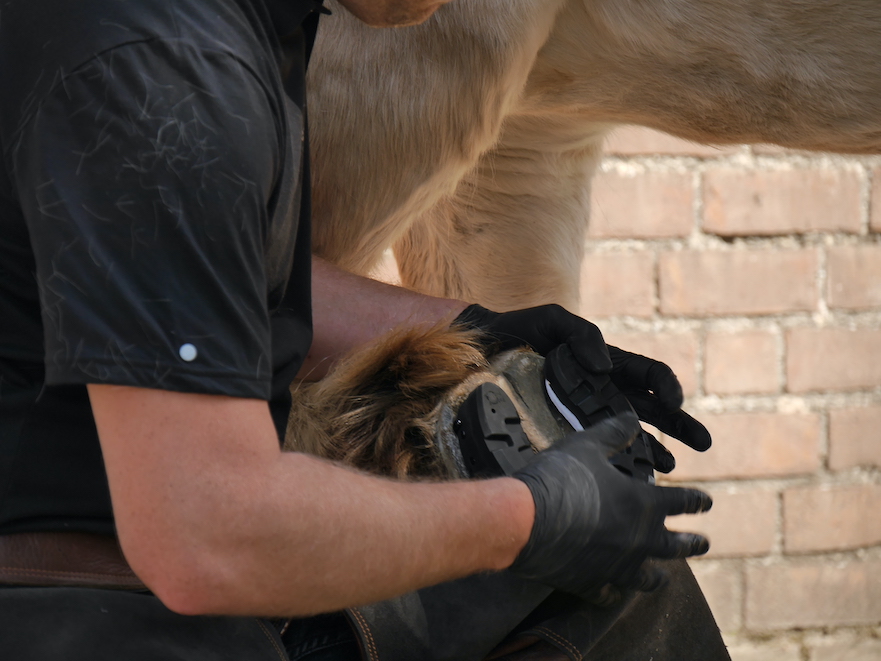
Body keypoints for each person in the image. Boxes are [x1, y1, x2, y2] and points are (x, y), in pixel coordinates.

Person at [0, 0, 713, 658]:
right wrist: (531, 519)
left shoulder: (216, 32)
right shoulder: (169, 71)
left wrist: (479, 328)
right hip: (88, 616)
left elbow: (203, 277)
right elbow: (206, 532)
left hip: (137, 591)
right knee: (610, 587)